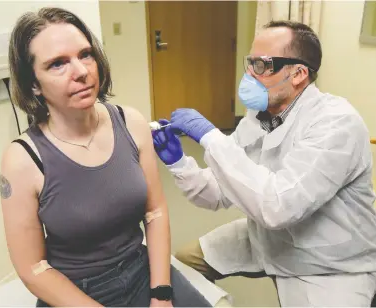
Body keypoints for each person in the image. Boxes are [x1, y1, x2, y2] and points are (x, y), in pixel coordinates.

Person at [152, 20, 376, 306]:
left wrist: (211, 138)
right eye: (250, 63)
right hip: (267, 238)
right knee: (184, 265)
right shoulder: (258, 116)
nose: (248, 74)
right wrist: (179, 162)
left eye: (261, 65)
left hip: (329, 262)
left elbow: (279, 206)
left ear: (298, 74)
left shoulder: (336, 123)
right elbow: (218, 193)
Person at [0, 7, 212, 307]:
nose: (81, 71)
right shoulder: (22, 159)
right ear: (33, 83)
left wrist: (161, 295)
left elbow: (156, 212)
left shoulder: (131, 123)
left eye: (85, 55)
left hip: (142, 271)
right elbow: (33, 269)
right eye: (58, 64)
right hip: (75, 291)